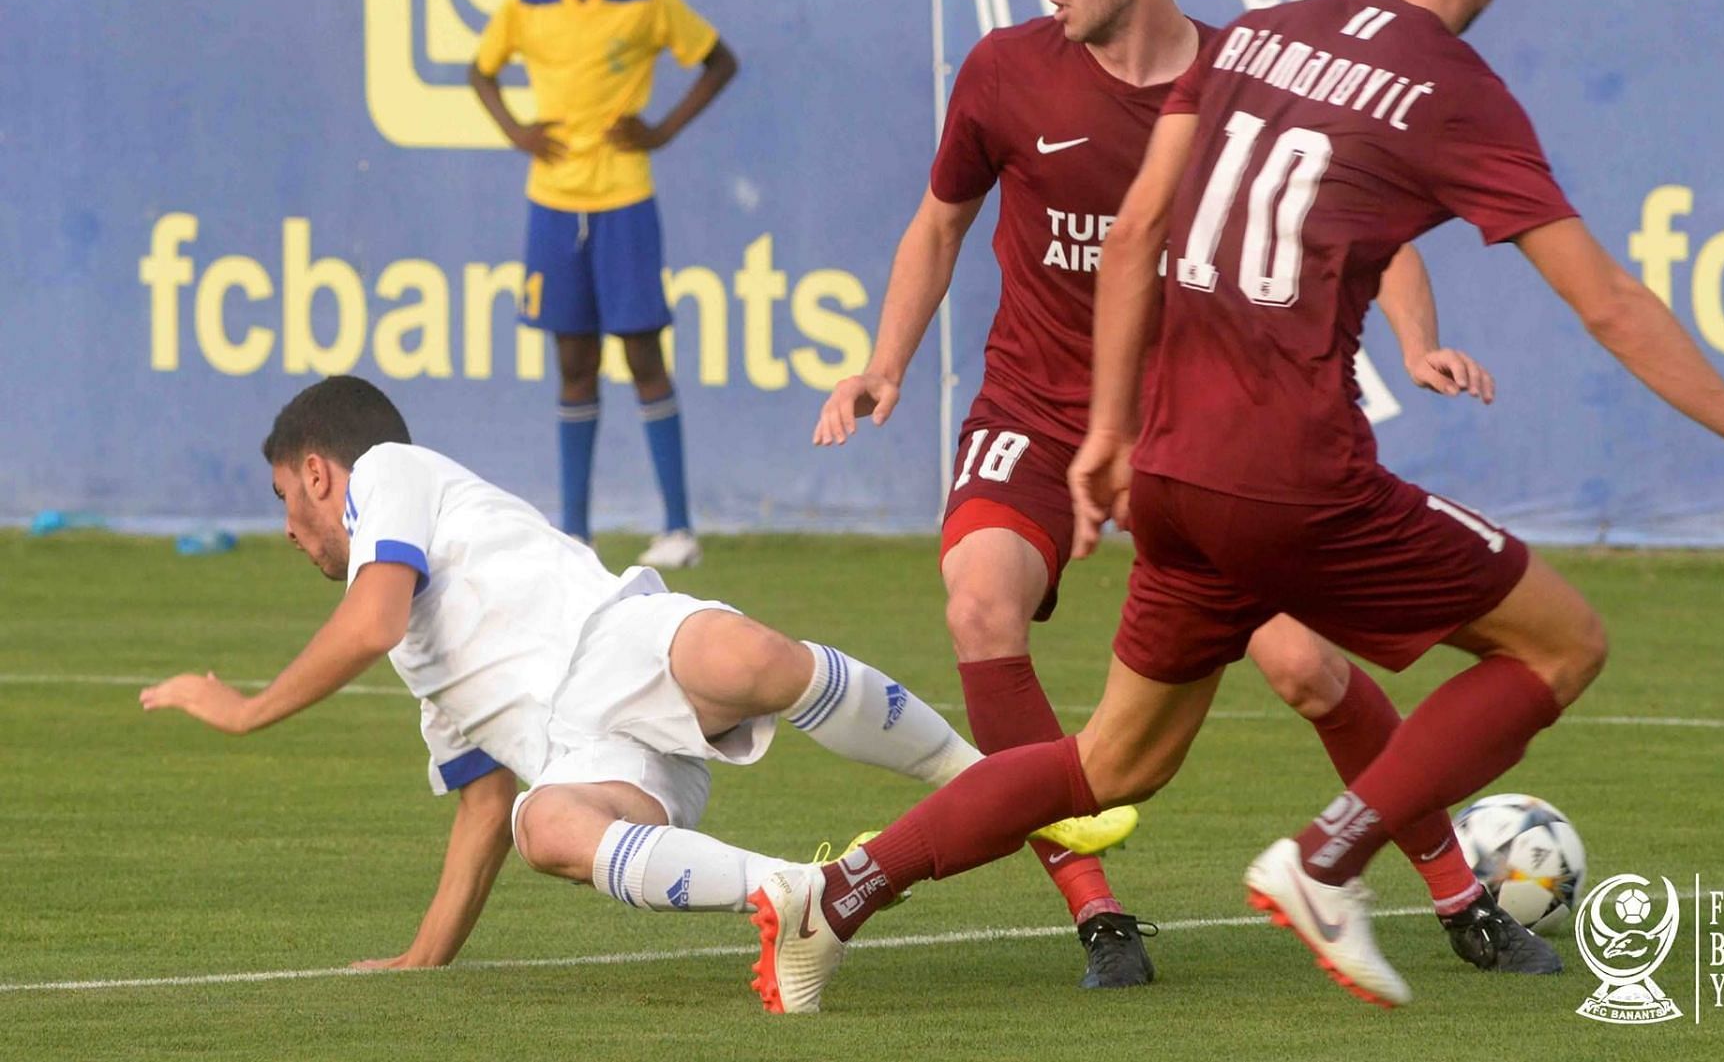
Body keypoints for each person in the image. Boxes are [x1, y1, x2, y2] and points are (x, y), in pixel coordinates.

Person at [746, 0, 1724, 1014]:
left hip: (1170, 468)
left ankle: (838, 893)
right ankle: (1329, 858)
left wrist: (1112, 434)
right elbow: (1606, 300)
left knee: (1112, 760)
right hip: (1291, 469)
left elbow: (1137, 234)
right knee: (1562, 643)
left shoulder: (1271, 35)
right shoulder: (1454, 91)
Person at [813, 0, 1529, 992]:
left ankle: (1459, 896)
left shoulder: (1245, 71)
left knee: (1303, 668)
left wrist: (1412, 340)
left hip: (1193, 432)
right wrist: (882, 363)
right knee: (980, 599)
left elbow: (1351, 224)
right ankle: (1096, 911)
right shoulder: (1003, 72)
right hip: (1039, 414)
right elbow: (939, 224)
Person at [138, 376, 1119, 970]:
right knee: (537, 824)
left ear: (319, 471)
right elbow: (479, 811)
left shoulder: (391, 472)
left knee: (752, 658)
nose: (287, 528)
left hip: (618, 634)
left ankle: (990, 786)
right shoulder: (420, 657)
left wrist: (246, 708)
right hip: (591, 755)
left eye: (283, 497)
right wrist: (418, 963)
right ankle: (811, 892)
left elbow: (369, 614)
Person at [470, 0, 738, 569]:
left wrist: (664, 130)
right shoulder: (526, 7)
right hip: (555, 204)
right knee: (573, 363)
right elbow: (481, 72)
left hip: (624, 198)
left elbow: (718, 61)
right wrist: (518, 132)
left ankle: (678, 528)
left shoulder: (645, 2)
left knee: (644, 354)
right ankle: (576, 531)